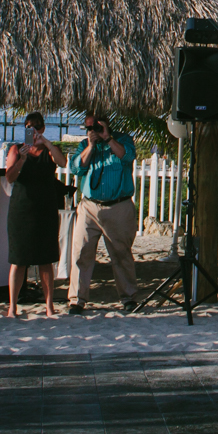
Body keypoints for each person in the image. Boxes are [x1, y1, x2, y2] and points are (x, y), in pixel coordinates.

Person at [64, 114, 138, 312]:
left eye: (96, 126)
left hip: (118, 206)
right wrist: (90, 145)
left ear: (105, 125)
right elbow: (76, 168)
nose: (92, 131)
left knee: (121, 253)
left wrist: (107, 138)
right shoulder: (84, 145)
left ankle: (128, 297)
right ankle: (77, 300)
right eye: (88, 128)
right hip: (89, 206)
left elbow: (128, 156)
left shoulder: (122, 140)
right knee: (81, 252)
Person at [3, 113, 67, 319]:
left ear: (43, 127)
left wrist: (46, 143)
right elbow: (10, 177)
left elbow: (63, 162)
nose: (34, 130)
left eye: (37, 126)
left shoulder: (49, 150)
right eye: (30, 127)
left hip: (45, 209)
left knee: (46, 259)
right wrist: (22, 158)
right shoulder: (17, 149)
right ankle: (12, 306)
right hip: (22, 209)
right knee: (19, 259)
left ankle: (49, 306)